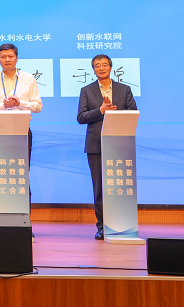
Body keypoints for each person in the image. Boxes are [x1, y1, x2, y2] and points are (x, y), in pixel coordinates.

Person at [76, 54, 138, 240]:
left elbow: (133, 112)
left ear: (111, 67)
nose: (101, 68)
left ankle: (122, 222)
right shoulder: (86, 90)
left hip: (120, 144)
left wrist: (115, 114)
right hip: (95, 145)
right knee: (100, 188)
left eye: (104, 65)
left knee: (120, 185)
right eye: (97, 65)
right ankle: (102, 225)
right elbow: (81, 117)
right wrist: (101, 110)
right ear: (93, 70)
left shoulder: (124, 89)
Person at [0, 43, 42, 212]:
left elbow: (38, 106)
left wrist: (19, 103)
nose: (7, 59)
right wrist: (3, 105)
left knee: (21, 173)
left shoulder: (28, 79)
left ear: (17, 58)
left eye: (10, 56)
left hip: (21, 129)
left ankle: (23, 219)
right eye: (3, 57)